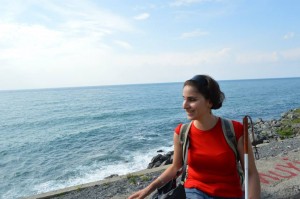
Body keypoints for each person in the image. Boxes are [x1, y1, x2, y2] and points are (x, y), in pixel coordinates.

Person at [128, 75, 261, 199]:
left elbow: (251, 173)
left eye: (191, 99)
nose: (184, 105)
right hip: (194, 192)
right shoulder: (182, 132)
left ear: (209, 102)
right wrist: (148, 189)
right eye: (184, 99)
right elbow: (175, 167)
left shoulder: (234, 130)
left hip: (228, 194)